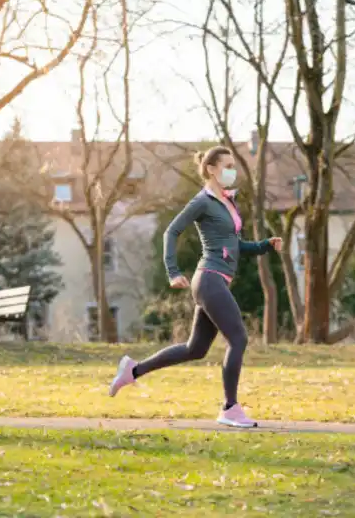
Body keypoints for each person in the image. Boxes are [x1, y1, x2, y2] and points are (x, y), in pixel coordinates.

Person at [108, 146, 283, 428]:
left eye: (233, 166)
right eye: (226, 165)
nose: (231, 170)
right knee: (238, 338)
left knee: (195, 349)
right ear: (211, 169)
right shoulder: (203, 201)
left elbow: (234, 245)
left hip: (216, 280)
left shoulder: (226, 201)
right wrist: (173, 271)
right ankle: (230, 408)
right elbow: (171, 231)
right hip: (209, 278)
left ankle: (132, 370)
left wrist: (264, 246)